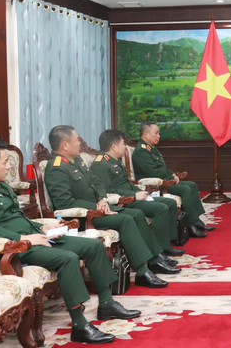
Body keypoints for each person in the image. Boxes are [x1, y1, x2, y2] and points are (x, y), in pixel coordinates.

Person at [0, 140, 140, 344]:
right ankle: (80, 325)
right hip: (11, 249)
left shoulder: (0, 185)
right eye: (6, 162)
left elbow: (16, 218)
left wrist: (42, 228)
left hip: (34, 238)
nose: (9, 167)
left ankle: (107, 303)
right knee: (67, 259)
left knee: (93, 245)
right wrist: (26, 238)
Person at [45, 125, 178, 289]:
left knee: (135, 214)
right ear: (65, 145)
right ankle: (143, 271)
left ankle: (154, 259)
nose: (79, 143)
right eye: (76, 140)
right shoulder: (56, 168)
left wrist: (102, 198)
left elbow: (96, 182)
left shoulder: (76, 160)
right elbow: (64, 203)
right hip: (82, 218)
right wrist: (96, 207)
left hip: (99, 208)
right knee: (126, 219)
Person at [90, 129, 185, 257]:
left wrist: (140, 191)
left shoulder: (114, 160)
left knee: (169, 202)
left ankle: (167, 243)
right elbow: (108, 191)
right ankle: (160, 249)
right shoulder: (100, 164)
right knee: (161, 208)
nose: (125, 147)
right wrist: (134, 196)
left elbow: (126, 183)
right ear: (114, 146)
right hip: (124, 201)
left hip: (133, 195)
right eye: (123, 144)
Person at [132, 121, 213, 237]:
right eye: (156, 133)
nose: (159, 136)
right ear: (146, 134)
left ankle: (196, 220)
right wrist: (171, 177)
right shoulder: (141, 152)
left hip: (164, 180)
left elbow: (162, 168)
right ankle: (191, 225)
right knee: (185, 189)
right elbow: (153, 172)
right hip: (154, 186)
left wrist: (173, 174)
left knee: (192, 185)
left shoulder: (150, 148)